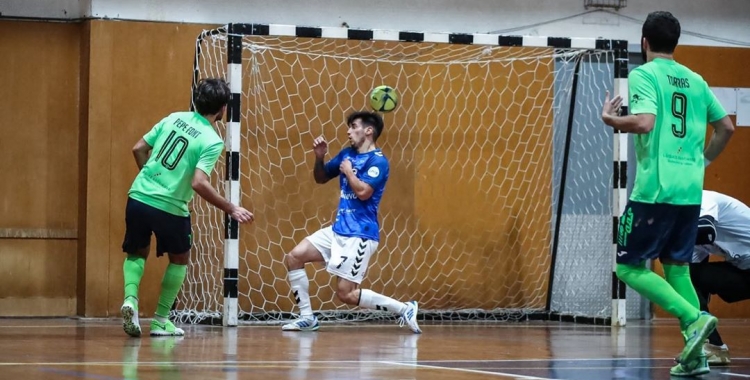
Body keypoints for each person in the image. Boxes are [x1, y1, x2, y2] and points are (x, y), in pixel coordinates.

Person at [600, 10, 735, 376]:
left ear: (644, 42)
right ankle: (697, 357)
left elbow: (645, 122)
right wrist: (702, 163)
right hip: (690, 191)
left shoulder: (644, 74)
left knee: (627, 267)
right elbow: (726, 128)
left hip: (655, 191)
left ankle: (695, 317)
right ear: (675, 43)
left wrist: (612, 120)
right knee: (677, 270)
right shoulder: (696, 80)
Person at [120, 78, 254, 337]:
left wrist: (149, 178)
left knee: (136, 253)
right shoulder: (212, 140)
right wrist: (230, 208)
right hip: (170, 206)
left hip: (138, 196)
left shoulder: (173, 118)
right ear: (222, 109)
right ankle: (160, 320)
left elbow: (138, 148)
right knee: (180, 259)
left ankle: (130, 300)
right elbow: (199, 183)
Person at [281, 111, 420, 334]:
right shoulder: (347, 154)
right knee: (294, 257)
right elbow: (321, 178)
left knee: (346, 294)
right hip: (338, 230)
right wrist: (319, 157)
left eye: (353, 126)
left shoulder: (379, 162)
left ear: (368, 131)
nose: (348, 130)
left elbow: (364, 192)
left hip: (360, 235)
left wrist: (348, 172)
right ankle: (307, 317)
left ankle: (404, 309)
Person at [690, 190, 750, 365]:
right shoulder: (685, 225)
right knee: (689, 280)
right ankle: (714, 347)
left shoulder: (703, 199)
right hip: (744, 271)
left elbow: (705, 231)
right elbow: (691, 274)